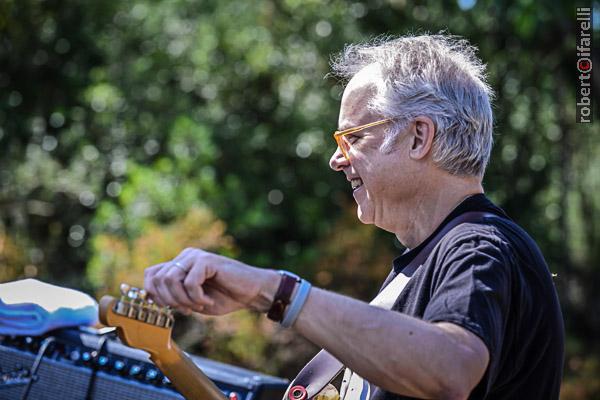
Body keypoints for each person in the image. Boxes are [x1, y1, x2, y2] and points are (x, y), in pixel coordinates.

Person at [144, 34, 564, 400]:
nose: (335, 159)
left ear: (419, 136)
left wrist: (274, 291)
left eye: (354, 137)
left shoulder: (478, 246)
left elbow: (452, 370)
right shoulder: (429, 257)